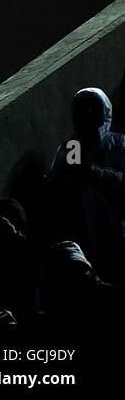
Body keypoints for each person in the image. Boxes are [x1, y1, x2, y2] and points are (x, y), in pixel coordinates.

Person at [46, 87, 125, 282]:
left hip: (113, 226)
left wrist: (93, 173)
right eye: (83, 111)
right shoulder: (74, 146)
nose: (88, 117)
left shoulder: (118, 142)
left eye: (93, 111)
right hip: (81, 231)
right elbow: (64, 179)